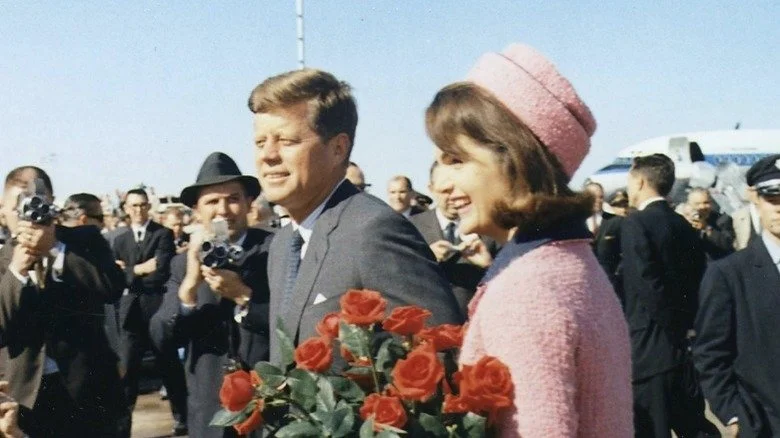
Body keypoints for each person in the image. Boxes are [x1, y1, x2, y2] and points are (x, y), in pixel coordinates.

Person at [426, 43, 631, 437]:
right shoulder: (569, 260)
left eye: (456, 160)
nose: (440, 182)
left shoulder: (526, 288)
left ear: (514, 159)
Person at [248, 68, 463, 365]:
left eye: (287, 141)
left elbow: (441, 350)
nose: (268, 155)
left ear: (338, 149)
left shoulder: (373, 230)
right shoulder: (284, 244)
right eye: (260, 142)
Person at [151, 152, 274, 438]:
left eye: (233, 198)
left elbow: (291, 323)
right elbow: (161, 337)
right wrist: (190, 286)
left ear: (248, 204)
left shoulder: (273, 250)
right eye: (212, 202)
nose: (223, 210)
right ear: (196, 210)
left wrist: (244, 296)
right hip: (210, 407)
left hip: (267, 402)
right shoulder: (183, 263)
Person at [0, 166, 126, 436]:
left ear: (52, 204)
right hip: (27, 396)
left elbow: (112, 287)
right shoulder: (2, 262)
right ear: (3, 211)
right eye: (19, 208)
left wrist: (57, 250)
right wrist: (17, 271)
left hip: (90, 386)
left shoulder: (85, 239)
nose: (28, 217)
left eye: (36, 205)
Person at [621, 154, 718, 437]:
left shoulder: (636, 224)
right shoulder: (683, 225)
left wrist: (671, 324)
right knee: (693, 425)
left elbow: (646, 284)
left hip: (648, 350)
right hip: (681, 348)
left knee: (651, 429)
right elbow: (699, 278)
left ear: (639, 181)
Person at [694, 154, 780, 438]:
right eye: (773, 198)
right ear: (755, 198)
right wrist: (734, 414)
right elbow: (710, 354)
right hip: (765, 425)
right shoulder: (730, 275)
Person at [113, 188, 188, 436]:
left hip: (157, 308)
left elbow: (161, 268)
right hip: (131, 313)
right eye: (133, 206)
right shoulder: (120, 240)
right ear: (126, 208)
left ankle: (181, 418)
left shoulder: (162, 233)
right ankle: (123, 427)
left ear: (149, 206)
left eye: (143, 205)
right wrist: (139, 269)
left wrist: (130, 271)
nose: (138, 210)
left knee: (168, 366)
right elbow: (116, 276)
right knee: (127, 371)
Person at [411, 161, 496, 315]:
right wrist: (426, 259)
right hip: (430, 323)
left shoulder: (489, 226)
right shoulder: (412, 227)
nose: (455, 196)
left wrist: (488, 265)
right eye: (446, 191)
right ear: (431, 189)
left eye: (461, 188)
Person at [593, 190, 629, 302]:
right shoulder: (580, 222)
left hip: (614, 283)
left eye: (600, 197)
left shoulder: (616, 223)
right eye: (618, 205)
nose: (623, 209)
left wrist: (617, 274)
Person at [682, 188, 735, 260]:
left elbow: (727, 243)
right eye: (697, 204)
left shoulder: (723, 219)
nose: (702, 207)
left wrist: (706, 228)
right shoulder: (684, 222)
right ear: (690, 205)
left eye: (706, 203)